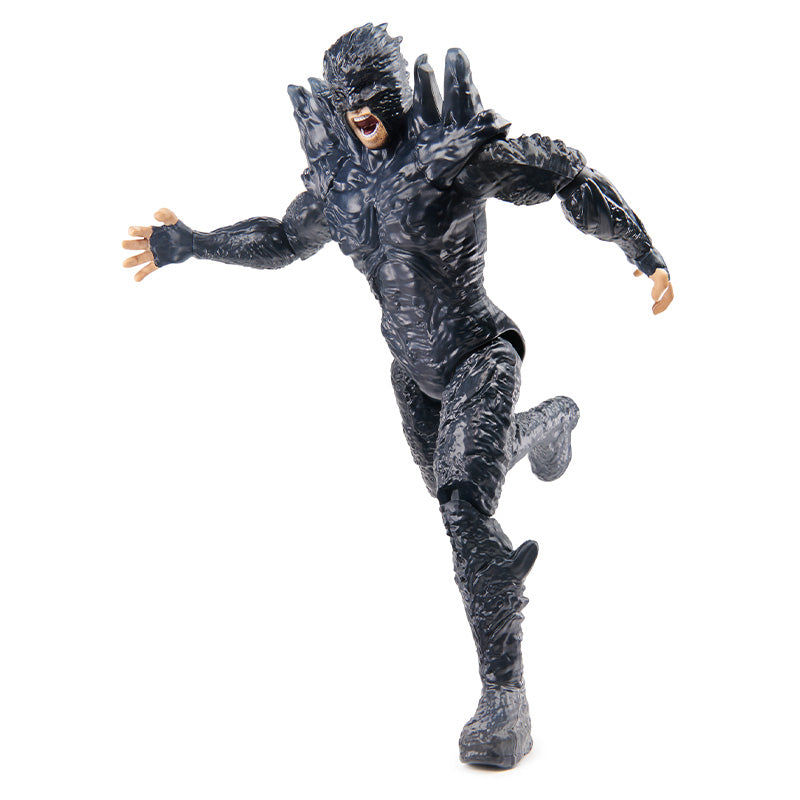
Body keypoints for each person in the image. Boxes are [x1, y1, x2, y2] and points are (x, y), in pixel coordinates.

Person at [122, 23, 673, 768]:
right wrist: (195, 243)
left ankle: (505, 698)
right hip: (412, 376)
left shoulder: (448, 160)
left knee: (464, 509)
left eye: (371, 91)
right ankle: (548, 424)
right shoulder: (343, 190)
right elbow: (283, 237)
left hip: (480, 356)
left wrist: (641, 250)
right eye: (346, 97)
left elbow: (563, 173)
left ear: (395, 89)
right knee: (455, 487)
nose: (360, 109)